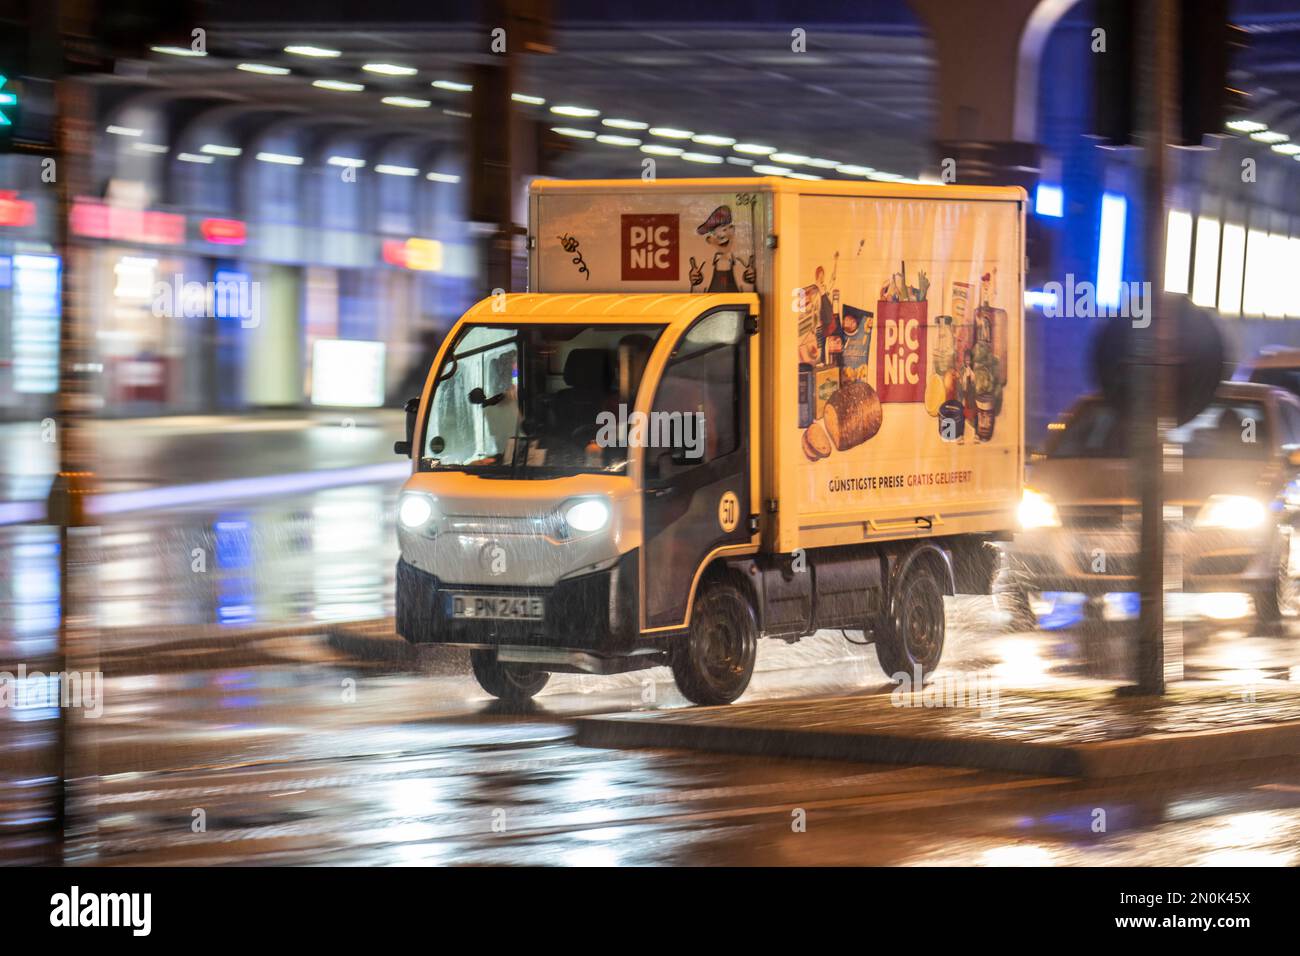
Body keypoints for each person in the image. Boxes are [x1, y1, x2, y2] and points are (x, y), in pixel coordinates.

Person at [689, 205, 756, 293]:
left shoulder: (740, 265)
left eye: (728, 229)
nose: (724, 240)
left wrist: (750, 280)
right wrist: (695, 282)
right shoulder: (705, 267)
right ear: (709, 240)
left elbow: (749, 296)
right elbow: (696, 298)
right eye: (720, 237)